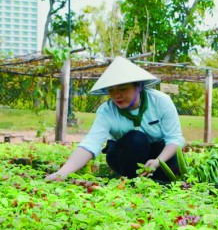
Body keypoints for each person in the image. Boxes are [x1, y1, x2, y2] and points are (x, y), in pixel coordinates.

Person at [46, 56, 185, 183]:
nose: (117, 95)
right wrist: (62, 173)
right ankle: (130, 181)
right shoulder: (106, 111)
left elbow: (174, 139)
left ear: (139, 86)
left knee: (172, 165)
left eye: (123, 89)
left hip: (157, 154)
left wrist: (157, 162)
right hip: (125, 154)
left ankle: (157, 181)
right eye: (111, 90)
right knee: (136, 139)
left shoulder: (161, 101)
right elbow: (91, 143)